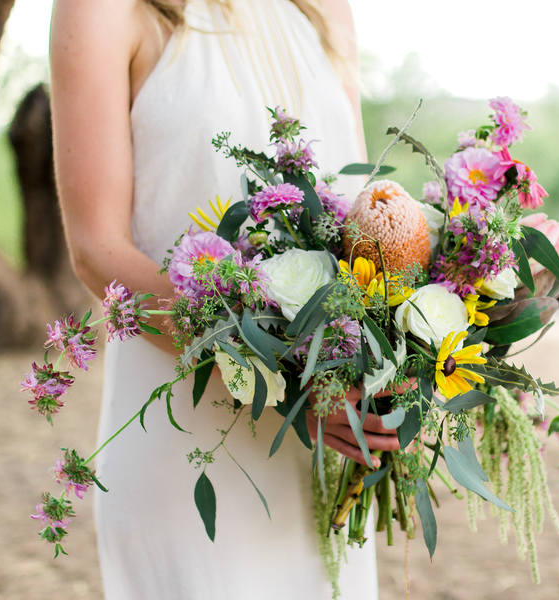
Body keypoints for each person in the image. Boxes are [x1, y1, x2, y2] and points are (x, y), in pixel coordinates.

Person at [49, 0, 399, 597]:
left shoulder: (325, 11)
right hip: (187, 447)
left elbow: (359, 222)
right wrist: (294, 386)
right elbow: (97, 250)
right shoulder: (101, 9)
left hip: (323, 449)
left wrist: (394, 355)